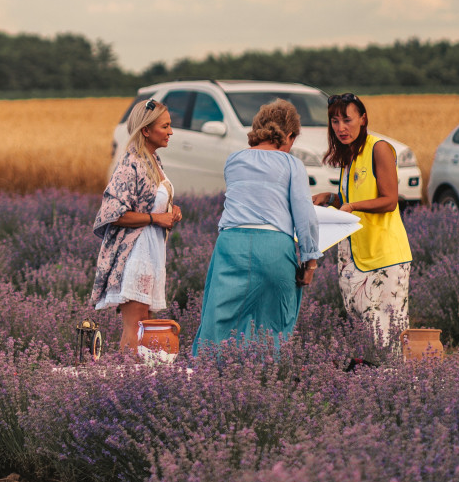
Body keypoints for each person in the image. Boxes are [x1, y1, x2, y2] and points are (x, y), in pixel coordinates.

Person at [194, 99, 321, 350]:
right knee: (275, 324)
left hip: (230, 244)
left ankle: (207, 377)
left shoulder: (234, 160)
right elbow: (305, 215)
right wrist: (310, 261)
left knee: (217, 323)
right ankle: (265, 380)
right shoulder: (292, 164)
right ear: (290, 136)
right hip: (274, 245)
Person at [313, 93, 412, 348]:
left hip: (385, 257)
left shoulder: (379, 148)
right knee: (365, 334)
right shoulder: (349, 155)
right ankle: (371, 384)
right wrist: (331, 198)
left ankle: (396, 384)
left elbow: (390, 200)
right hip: (355, 257)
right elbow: (350, 200)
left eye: (347, 120)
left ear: (363, 118)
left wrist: (352, 206)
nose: (341, 128)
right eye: (334, 121)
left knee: (390, 335)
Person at [92, 98, 182, 352]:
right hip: (135, 254)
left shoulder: (154, 161)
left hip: (152, 252)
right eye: (165, 126)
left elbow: (151, 206)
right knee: (136, 324)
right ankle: (124, 380)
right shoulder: (130, 163)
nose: (171, 132)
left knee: (146, 325)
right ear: (146, 130)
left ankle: (135, 379)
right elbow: (112, 213)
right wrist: (156, 218)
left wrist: (170, 213)